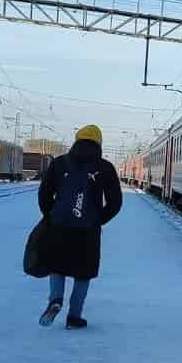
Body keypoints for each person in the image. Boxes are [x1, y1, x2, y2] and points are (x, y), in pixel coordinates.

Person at [37, 125, 122, 329]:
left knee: (57, 265)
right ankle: (74, 317)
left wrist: (51, 215)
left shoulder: (59, 164)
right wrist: (98, 219)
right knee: (84, 272)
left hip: (59, 225)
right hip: (88, 230)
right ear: (99, 144)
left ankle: (55, 300)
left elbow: (43, 194)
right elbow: (115, 202)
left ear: (76, 141)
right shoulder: (105, 167)